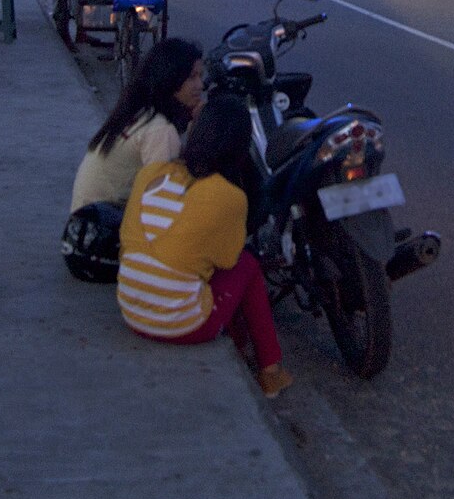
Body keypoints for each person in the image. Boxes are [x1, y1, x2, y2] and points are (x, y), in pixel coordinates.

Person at [117, 96, 291, 397]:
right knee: (248, 265)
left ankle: (249, 352)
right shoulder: (229, 196)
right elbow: (227, 261)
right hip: (179, 326)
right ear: (240, 147)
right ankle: (270, 371)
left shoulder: (150, 174)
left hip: (131, 310)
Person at [70, 38, 204, 212]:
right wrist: (200, 132)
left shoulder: (137, 112)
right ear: (169, 78)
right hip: (110, 229)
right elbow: (166, 201)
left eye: (201, 76)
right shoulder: (160, 130)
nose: (200, 86)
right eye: (191, 77)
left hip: (88, 222)